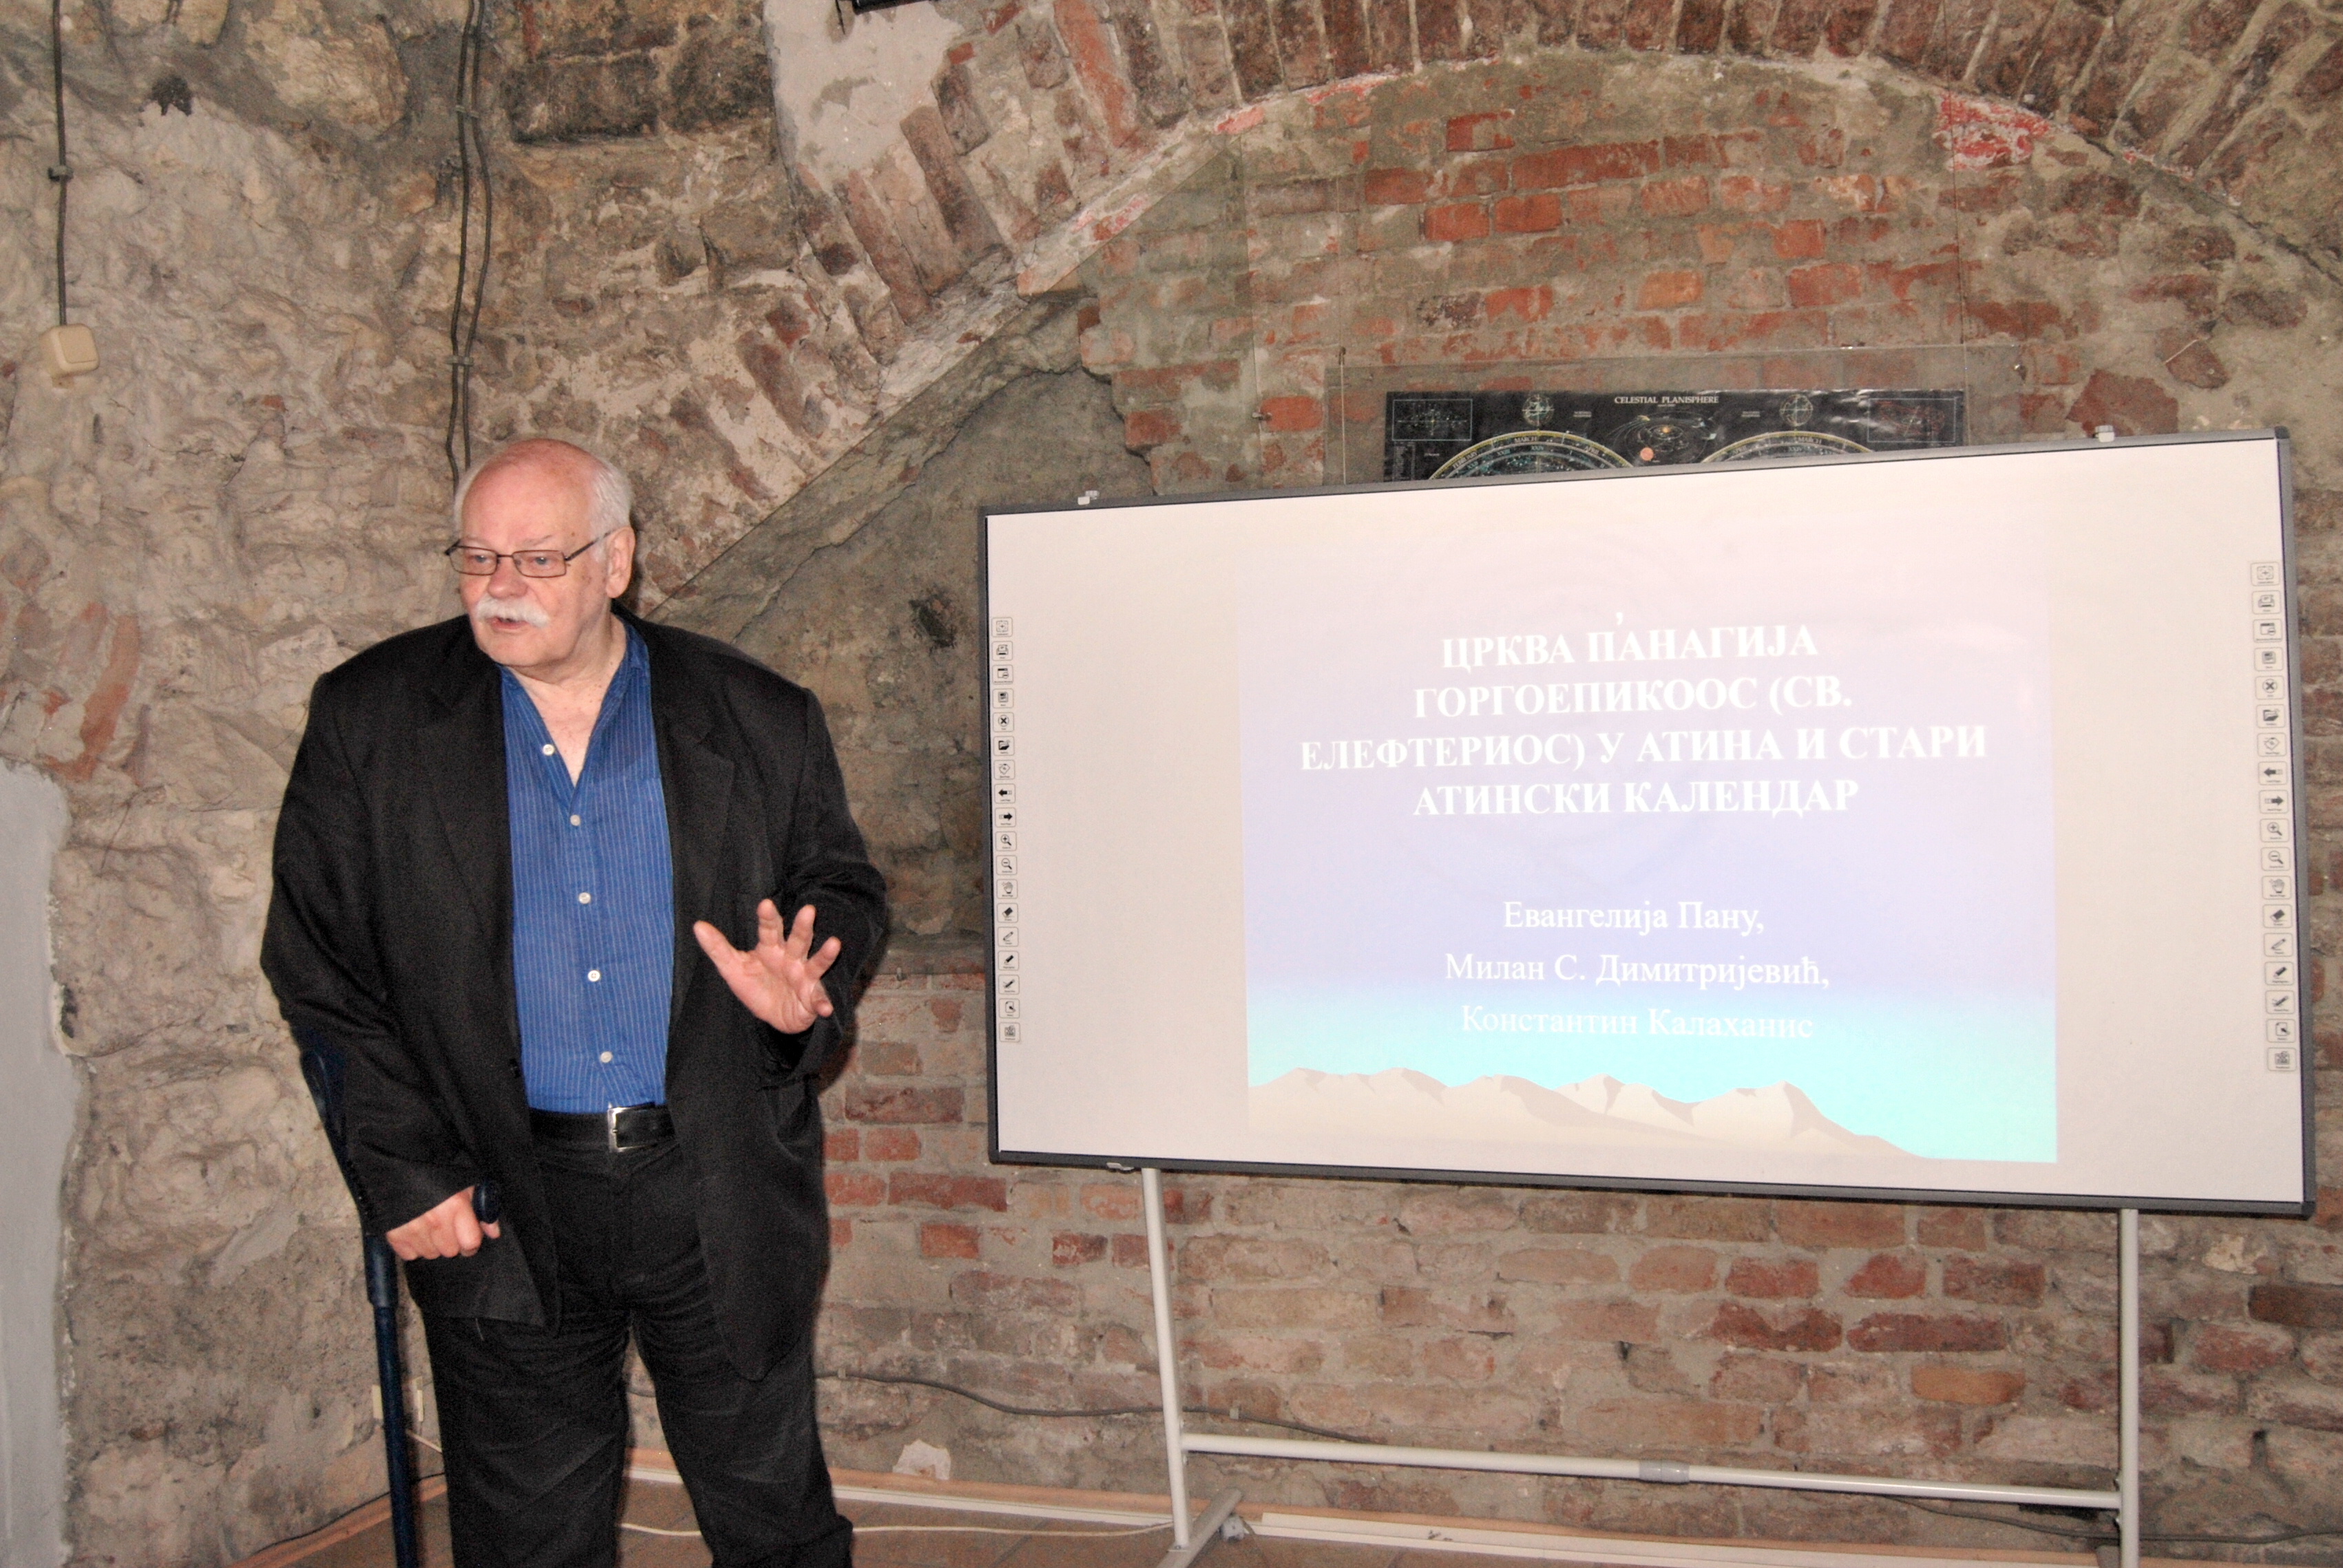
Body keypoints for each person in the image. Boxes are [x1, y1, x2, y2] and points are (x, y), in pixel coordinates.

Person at [262, 438, 887, 1567]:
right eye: (478, 556)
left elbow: (840, 888)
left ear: (616, 561)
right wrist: (405, 1169)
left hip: (713, 1177)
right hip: (497, 1192)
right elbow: (318, 965)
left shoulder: (755, 712)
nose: (500, 585)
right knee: (527, 1538)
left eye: (538, 558)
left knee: (774, 1523)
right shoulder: (371, 718)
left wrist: (806, 990)